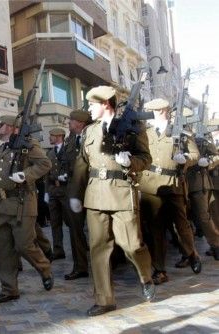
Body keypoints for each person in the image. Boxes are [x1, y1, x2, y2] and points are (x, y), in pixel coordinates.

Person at [68, 86, 155, 316]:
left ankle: (146, 276)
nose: (88, 108)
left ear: (106, 103)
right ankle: (104, 299)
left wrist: (129, 162)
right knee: (97, 249)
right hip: (95, 194)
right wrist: (75, 195)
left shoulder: (134, 127)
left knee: (132, 246)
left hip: (122, 192)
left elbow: (145, 158)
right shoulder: (90, 132)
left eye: (92, 104)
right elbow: (81, 165)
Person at [0, 115, 53, 303]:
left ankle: (44, 268)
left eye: (1, 125)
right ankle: (9, 289)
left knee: (24, 245)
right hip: (1, 205)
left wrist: (25, 175)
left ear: (10, 127)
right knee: (3, 249)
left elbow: (45, 164)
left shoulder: (27, 146)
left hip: (22, 202)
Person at [138, 98, 202, 284]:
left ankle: (191, 253)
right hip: (150, 185)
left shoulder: (180, 132)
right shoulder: (146, 133)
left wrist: (186, 159)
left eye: (155, 112)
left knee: (181, 225)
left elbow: (195, 154)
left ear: (164, 111)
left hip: (173, 182)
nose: (152, 116)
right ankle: (160, 270)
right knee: (155, 228)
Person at [63, 110, 91, 280]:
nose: (69, 123)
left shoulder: (92, 136)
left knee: (101, 229)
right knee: (75, 229)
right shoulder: (71, 139)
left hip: (93, 186)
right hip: (75, 190)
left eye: (71, 120)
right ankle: (80, 266)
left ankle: (112, 261)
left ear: (80, 123)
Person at [186, 136, 219, 260]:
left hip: (197, 181)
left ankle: (216, 244)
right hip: (177, 181)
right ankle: (187, 253)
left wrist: (207, 162)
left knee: (203, 216)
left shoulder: (201, 134)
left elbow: (216, 156)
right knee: (182, 220)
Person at [44, 128, 68, 261]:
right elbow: (47, 174)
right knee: (55, 222)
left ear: (60, 136)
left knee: (72, 221)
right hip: (53, 189)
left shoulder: (68, 150)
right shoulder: (49, 153)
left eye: (52, 136)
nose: (50, 138)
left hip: (66, 190)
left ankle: (80, 246)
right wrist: (46, 192)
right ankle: (58, 250)